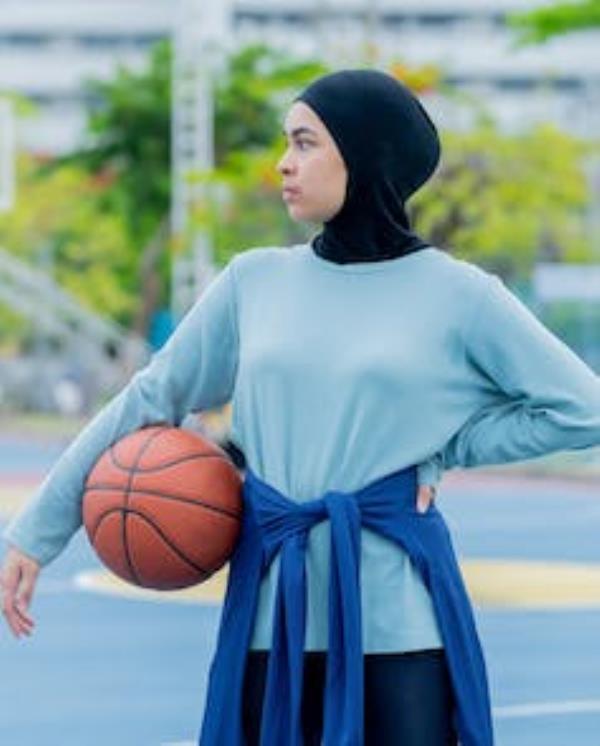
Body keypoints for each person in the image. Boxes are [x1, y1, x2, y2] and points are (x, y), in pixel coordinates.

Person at [1, 68, 599, 746]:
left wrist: (446, 446)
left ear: (364, 154)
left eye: (305, 143)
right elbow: (151, 398)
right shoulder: (253, 282)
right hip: (271, 619)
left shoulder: (460, 295)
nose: (284, 163)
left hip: (398, 624)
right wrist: (37, 529)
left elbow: (582, 408)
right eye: (288, 142)